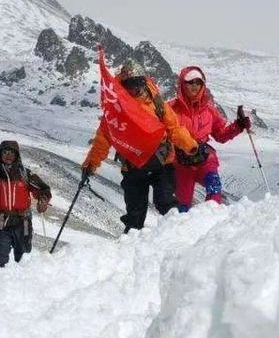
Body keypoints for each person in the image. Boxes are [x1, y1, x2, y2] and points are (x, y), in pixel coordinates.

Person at [81, 59, 201, 233]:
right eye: (130, 85)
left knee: (166, 203)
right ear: (123, 86)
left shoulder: (156, 102)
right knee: (135, 215)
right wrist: (91, 164)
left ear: (144, 81)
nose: (135, 88)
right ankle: (132, 249)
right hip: (134, 168)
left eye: (139, 83)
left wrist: (191, 147)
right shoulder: (116, 109)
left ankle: (181, 236)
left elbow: (174, 128)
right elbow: (103, 139)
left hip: (162, 163)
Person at [169, 66, 251, 211]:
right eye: (190, 82)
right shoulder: (170, 109)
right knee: (182, 205)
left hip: (204, 158)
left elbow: (220, 135)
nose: (194, 85)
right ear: (182, 83)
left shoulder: (208, 110)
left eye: (198, 82)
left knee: (214, 187)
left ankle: (210, 220)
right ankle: (184, 231)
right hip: (180, 162)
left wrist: (238, 126)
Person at [0, 140, 52, 266]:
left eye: (12, 153)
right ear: (0, 155)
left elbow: (43, 189)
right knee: (0, 260)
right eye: (5, 152)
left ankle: (23, 285)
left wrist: (43, 200)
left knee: (23, 259)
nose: (8, 155)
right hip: (1, 224)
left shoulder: (25, 174)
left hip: (23, 223)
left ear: (16, 155)